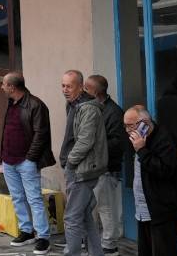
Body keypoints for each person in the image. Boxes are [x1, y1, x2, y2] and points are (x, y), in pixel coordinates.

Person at [0, 72, 55, 255]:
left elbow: (41, 134)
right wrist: (2, 155)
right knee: (17, 197)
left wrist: (30, 158)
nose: (2, 87)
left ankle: (43, 238)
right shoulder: (11, 103)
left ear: (12, 87)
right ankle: (26, 231)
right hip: (9, 160)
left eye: (4, 85)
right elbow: (7, 131)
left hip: (26, 161)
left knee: (34, 199)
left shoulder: (36, 105)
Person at [124, 105, 177, 255]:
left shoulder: (165, 139)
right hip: (144, 210)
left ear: (145, 123)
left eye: (130, 126)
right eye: (125, 126)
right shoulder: (141, 138)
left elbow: (165, 171)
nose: (127, 131)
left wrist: (142, 150)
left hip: (163, 211)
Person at [61, 69, 107, 256]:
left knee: (71, 217)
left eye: (69, 86)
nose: (64, 90)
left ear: (81, 87)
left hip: (81, 170)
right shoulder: (73, 105)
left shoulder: (88, 108)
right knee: (85, 216)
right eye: (62, 85)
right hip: (76, 168)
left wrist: (70, 162)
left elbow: (85, 141)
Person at [84, 74, 126, 255]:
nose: (84, 91)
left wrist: (93, 146)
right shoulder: (92, 108)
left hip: (107, 168)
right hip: (93, 167)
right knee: (92, 206)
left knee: (107, 208)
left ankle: (110, 245)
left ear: (96, 92)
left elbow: (118, 143)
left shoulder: (114, 112)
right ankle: (94, 241)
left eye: (87, 88)